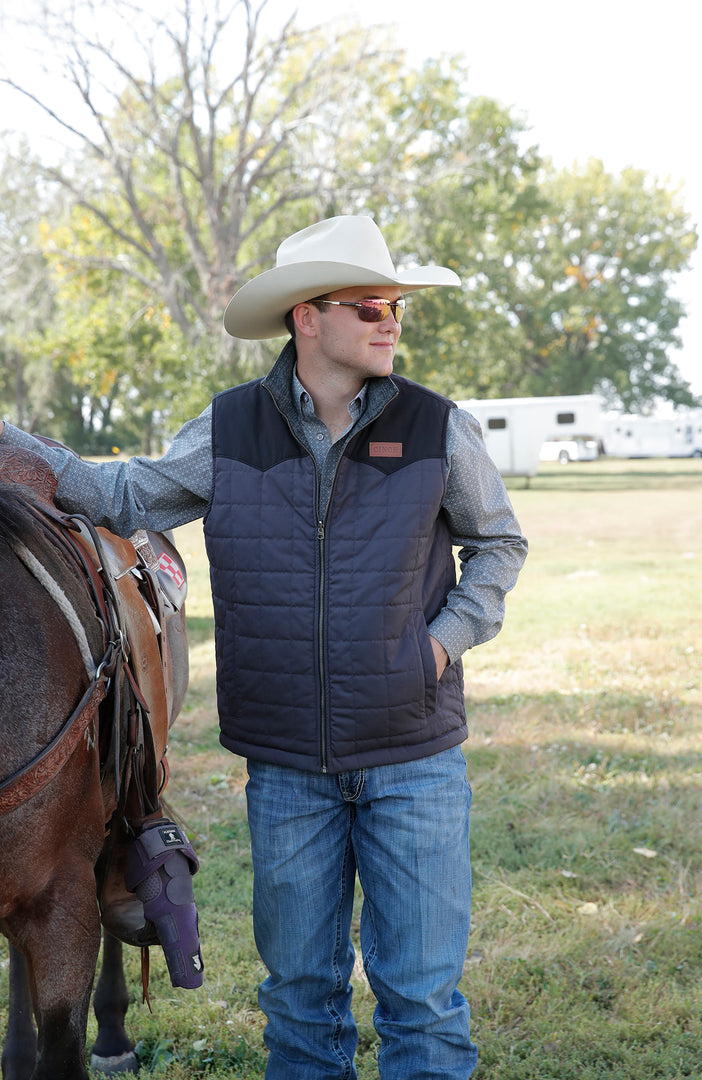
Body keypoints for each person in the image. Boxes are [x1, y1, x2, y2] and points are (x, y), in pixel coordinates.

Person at [0, 214, 528, 1079]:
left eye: (395, 304)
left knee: (424, 1006)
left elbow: (499, 545)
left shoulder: (440, 429)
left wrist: (439, 647)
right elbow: (119, 494)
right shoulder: (231, 430)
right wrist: (14, 443)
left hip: (415, 761)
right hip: (287, 775)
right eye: (369, 305)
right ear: (306, 318)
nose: (390, 319)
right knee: (298, 1004)